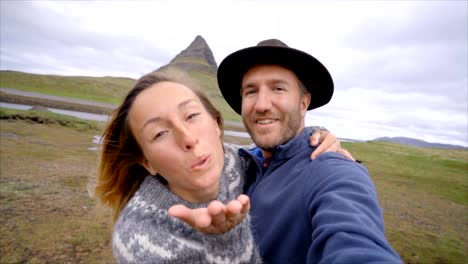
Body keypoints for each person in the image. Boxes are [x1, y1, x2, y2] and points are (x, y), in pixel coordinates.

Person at [177, 39, 402, 263]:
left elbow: (356, 244)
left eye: (278, 88)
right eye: (251, 91)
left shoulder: (333, 171)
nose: (262, 105)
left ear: (303, 103)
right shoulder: (239, 162)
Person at [93, 70, 344, 263]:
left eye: (191, 116)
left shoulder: (239, 161)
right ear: (146, 161)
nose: (188, 139)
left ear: (216, 123)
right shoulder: (139, 241)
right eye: (159, 133)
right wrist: (227, 240)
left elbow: (271, 152)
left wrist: (314, 138)